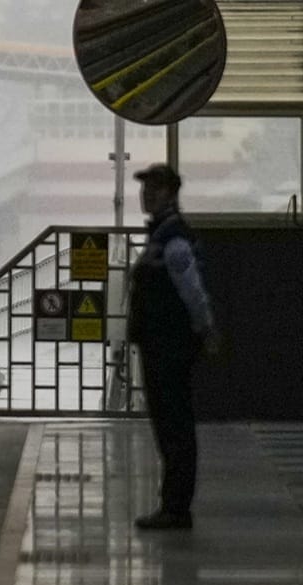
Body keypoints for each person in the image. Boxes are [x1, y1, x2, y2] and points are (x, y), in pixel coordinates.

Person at [129, 163, 219, 530]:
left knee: (174, 426)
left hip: (169, 345)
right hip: (161, 343)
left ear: (170, 193)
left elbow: (192, 290)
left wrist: (206, 328)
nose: (145, 194)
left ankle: (176, 508)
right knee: (169, 425)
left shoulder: (173, 238)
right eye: (144, 188)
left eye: (153, 188)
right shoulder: (163, 233)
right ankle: (173, 504)